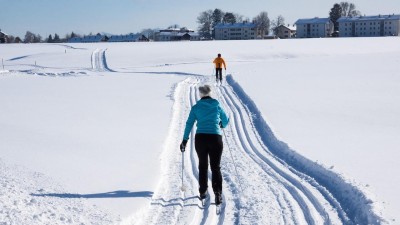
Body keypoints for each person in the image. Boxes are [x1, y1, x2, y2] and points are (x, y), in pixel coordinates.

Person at [180, 85, 229, 205]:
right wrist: (222, 124)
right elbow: (226, 120)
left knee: (203, 166)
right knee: (215, 167)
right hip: (215, 138)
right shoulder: (216, 104)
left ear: (200, 94)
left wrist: (184, 141)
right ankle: (218, 193)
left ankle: (203, 192)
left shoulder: (196, 107)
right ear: (210, 93)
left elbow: (189, 124)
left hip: (201, 139)